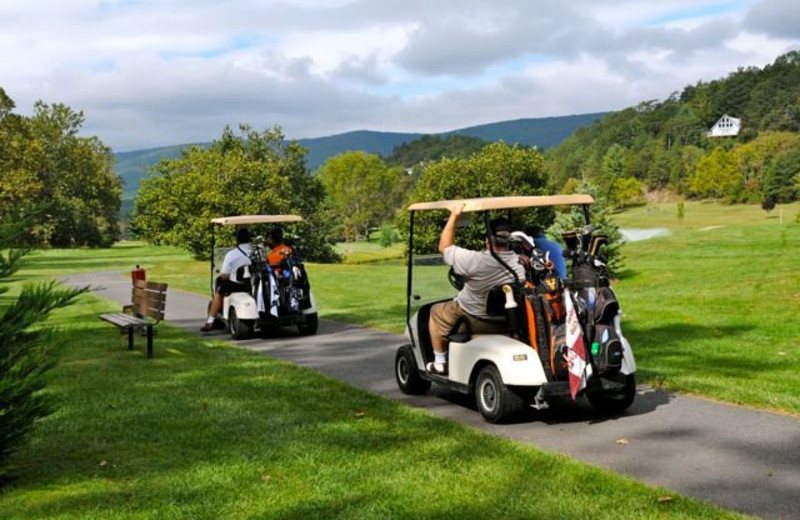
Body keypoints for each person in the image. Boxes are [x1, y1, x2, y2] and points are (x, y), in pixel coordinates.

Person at [427, 205, 526, 375]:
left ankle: (440, 361)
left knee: (435, 312)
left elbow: (444, 247)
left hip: (475, 318)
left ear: (488, 240)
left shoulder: (475, 261)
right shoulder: (521, 262)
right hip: (508, 320)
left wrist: (454, 215)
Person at [201, 227, 252, 332]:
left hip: (237, 285)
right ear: (249, 239)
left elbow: (224, 275)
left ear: (237, 240)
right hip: (253, 284)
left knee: (219, 290)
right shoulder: (257, 252)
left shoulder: (231, 254)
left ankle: (210, 321)